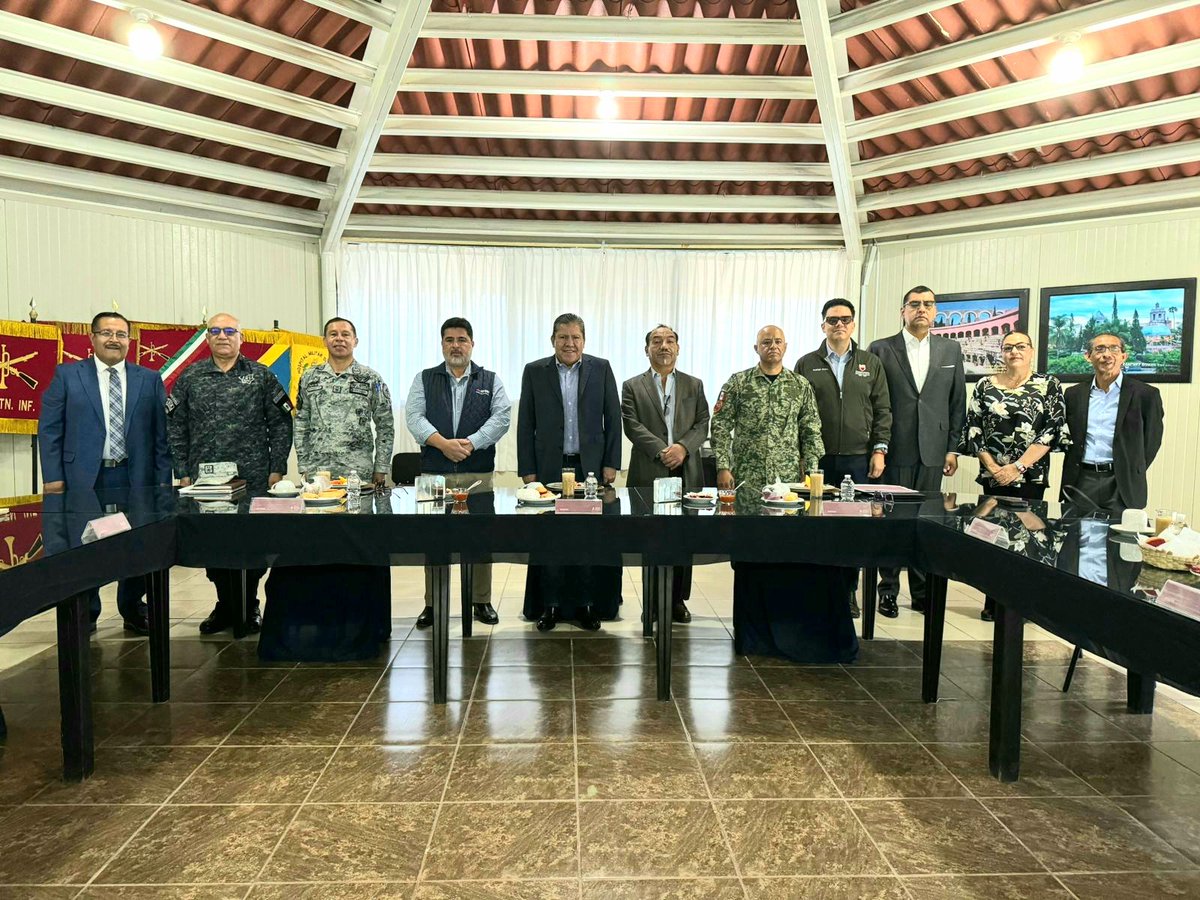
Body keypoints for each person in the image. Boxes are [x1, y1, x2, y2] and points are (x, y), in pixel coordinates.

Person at [711, 325, 857, 664]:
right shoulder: (738, 383)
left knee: (784, 554)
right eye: (766, 342)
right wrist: (723, 466)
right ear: (755, 347)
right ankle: (751, 631)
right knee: (750, 555)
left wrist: (814, 471)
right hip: (746, 481)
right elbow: (720, 425)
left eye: (777, 342)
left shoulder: (800, 385)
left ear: (785, 347)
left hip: (787, 483)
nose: (772, 347)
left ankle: (784, 627)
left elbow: (811, 428)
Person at [259, 316, 394, 660]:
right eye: (333, 334)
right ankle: (323, 619)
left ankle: (360, 621)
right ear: (324, 340)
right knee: (318, 546)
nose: (339, 339)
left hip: (358, 477)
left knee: (356, 547)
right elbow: (300, 421)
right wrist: (302, 465)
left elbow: (386, 423)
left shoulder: (371, 378)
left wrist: (381, 467)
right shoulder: (310, 377)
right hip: (317, 478)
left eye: (345, 334)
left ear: (356, 340)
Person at [38, 311, 172, 634]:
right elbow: (50, 429)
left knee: (137, 544)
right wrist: (53, 477)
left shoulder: (149, 379)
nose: (114, 339)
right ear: (92, 338)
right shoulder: (68, 376)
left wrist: (162, 479)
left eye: (121, 334)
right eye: (106, 333)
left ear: (129, 340)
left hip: (134, 477)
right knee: (85, 545)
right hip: (85, 479)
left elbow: (161, 435)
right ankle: (88, 611)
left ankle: (131, 606)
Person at [166, 312, 293, 634]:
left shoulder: (261, 376)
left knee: (252, 545)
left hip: (252, 478)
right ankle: (225, 605)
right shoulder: (190, 377)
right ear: (207, 338)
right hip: (205, 480)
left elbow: (280, 424)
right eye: (215, 331)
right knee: (215, 545)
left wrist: (277, 467)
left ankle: (249, 605)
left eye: (229, 331)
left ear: (241, 337)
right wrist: (182, 471)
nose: (223, 336)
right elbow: (175, 426)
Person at [517, 313, 622, 631]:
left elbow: (612, 416)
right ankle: (549, 606)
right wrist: (528, 470)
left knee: (588, 539)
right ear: (553, 340)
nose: (569, 343)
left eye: (575, 337)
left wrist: (611, 463)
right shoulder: (535, 371)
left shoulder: (600, 368)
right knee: (550, 538)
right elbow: (526, 422)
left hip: (588, 469)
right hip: (550, 467)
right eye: (563, 337)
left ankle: (588, 605)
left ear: (584, 341)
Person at [406, 316, 512, 628]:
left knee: (480, 538)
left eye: (462, 339)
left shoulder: (489, 379)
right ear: (442, 344)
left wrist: (471, 443)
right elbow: (414, 416)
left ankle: (481, 600)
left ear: (472, 344)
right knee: (434, 540)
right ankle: (433, 603)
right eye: (450, 340)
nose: (456, 345)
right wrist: (442, 444)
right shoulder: (424, 378)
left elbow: (502, 416)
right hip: (433, 474)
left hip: (476, 473)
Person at [869, 285, 966, 618]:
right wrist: (877, 448)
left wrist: (952, 448)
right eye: (914, 304)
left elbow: (957, 403)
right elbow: (875, 403)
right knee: (893, 522)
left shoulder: (950, 351)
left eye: (928, 304)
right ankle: (888, 592)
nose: (921, 309)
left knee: (927, 523)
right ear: (903, 311)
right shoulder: (881, 349)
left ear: (935, 311)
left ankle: (923, 594)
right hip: (895, 448)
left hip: (934, 451)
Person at [959, 330, 1070, 620]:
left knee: (1027, 538)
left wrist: (1017, 467)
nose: (1014, 352)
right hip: (993, 476)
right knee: (991, 537)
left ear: (1031, 351)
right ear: (1002, 353)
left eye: (1021, 346)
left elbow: (1052, 430)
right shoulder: (985, 385)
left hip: (1030, 477)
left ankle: (1021, 603)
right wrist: (995, 468)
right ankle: (992, 601)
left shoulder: (1049, 385)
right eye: (1008, 347)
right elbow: (974, 428)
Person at [795, 299, 891, 617]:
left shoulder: (870, 363)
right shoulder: (807, 363)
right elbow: (796, 414)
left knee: (852, 530)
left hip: (856, 461)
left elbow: (882, 410)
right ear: (823, 325)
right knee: (814, 528)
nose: (839, 325)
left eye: (845, 319)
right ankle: (817, 590)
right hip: (817, 461)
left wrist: (879, 449)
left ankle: (849, 592)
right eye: (832, 320)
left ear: (853, 325)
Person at [621, 324, 710, 623]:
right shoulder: (632, 386)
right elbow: (632, 425)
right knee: (650, 537)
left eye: (670, 340)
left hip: (686, 471)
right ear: (646, 349)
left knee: (684, 538)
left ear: (678, 348)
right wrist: (662, 450)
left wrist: (683, 448)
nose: (663, 346)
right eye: (656, 341)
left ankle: (677, 601)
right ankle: (652, 600)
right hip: (649, 469)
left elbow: (702, 423)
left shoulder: (693, 385)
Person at [1060, 333, 1164, 516]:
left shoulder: (1146, 395)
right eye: (1099, 349)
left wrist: (1130, 468)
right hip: (1082, 479)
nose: (1106, 354)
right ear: (1088, 356)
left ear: (1124, 356)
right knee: (1075, 539)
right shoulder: (1073, 394)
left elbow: (1152, 441)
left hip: (1122, 483)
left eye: (1114, 349)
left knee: (1120, 541)